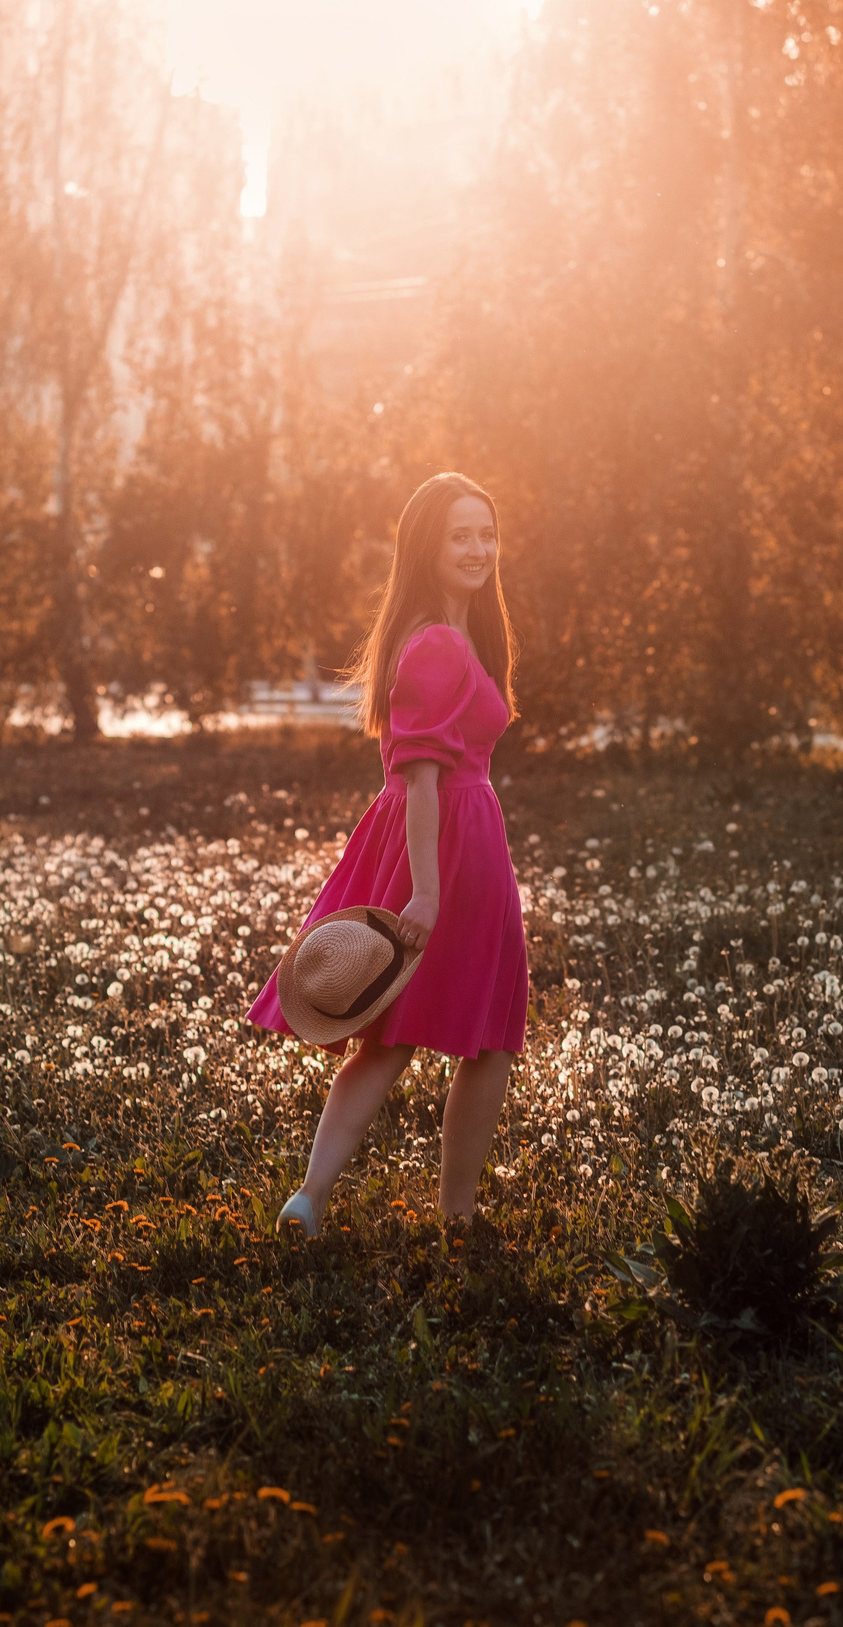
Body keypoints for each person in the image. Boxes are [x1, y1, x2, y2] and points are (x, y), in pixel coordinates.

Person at [245, 471, 529, 1234]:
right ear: (426, 548)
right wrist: (428, 893)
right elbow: (424, 777)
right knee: (481, 1038)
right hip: (445, 846)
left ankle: (312, 1197)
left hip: (453, 837)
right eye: (459, 535)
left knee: (396, 1034)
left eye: (486, 533)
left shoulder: (458, 632)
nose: (478, 548)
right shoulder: (436, 642)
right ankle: (456, 1213)